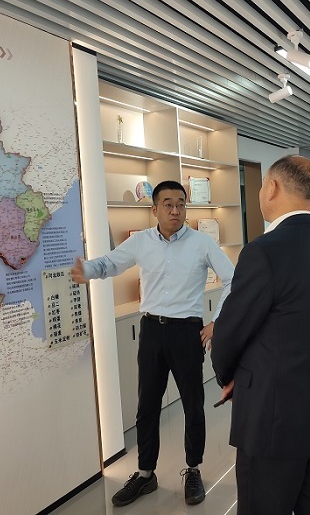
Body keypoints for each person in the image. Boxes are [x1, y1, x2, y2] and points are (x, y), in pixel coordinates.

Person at [70, 180, 234, 507]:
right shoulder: (141, 241)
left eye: (181, 204)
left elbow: (233, 279)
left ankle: (193, 469)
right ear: (154, 208)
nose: (175, 210)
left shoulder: (202, 243)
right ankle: (146, 474)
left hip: (187, 332)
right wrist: (87, 269)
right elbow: (110, 263)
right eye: (168, 204)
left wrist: (218, 321)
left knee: (192, 404)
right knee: (147, 405)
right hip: (151, 331)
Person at [211, 155, 310, 515]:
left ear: (271, 188)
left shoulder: (263, 251)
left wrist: (228, 375)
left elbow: (230, 331)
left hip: (271, 420)